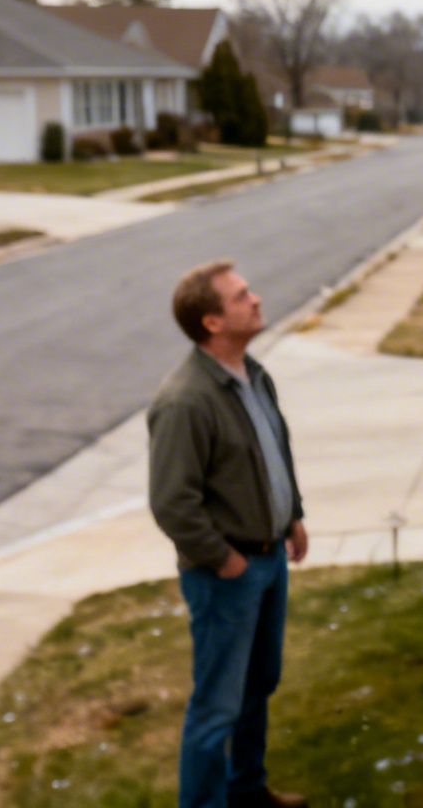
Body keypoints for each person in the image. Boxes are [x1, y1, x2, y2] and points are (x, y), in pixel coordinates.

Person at [149, 260, 309, 808]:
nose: (257, 299)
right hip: (228, 574)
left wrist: (293, 515)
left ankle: (247, 791)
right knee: (217, 705)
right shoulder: (185, 400)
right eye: (242, 296)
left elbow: (271, 452)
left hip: (268, 560)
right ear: (212, 322)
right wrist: (223, 560)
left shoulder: (253, 375)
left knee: (256, 687)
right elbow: (173, 502)